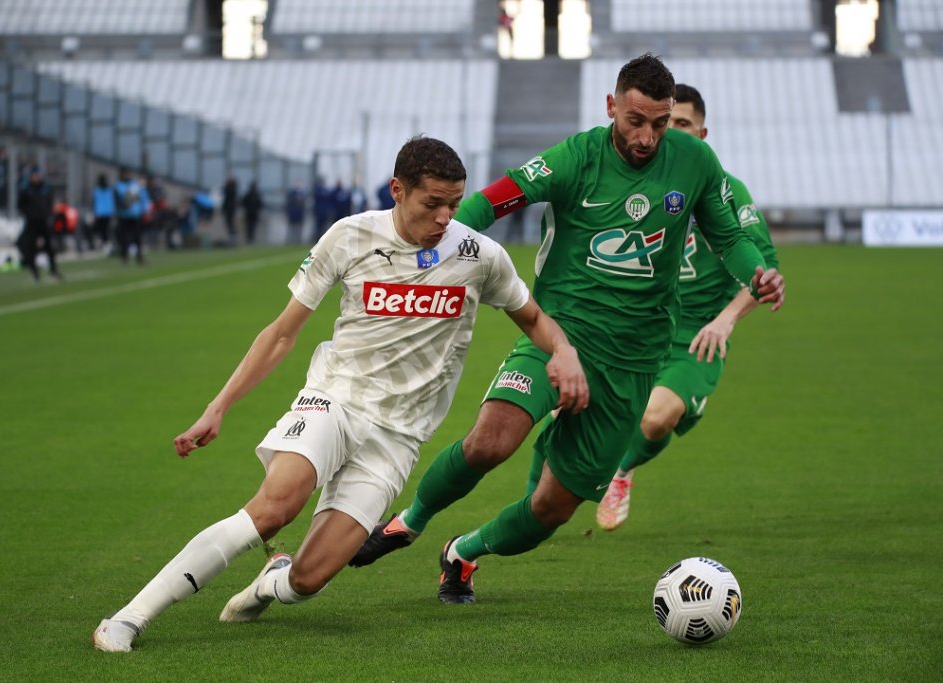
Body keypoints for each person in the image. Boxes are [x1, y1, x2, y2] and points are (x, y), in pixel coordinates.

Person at [91, 136, 589, 653]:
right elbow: (282, 332)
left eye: (453, 204)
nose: (445, 217)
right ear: (398, 190)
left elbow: (532, 318)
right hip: (335, 398)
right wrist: (218, 407)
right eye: (432, 203)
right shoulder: (350, 237)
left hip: (398, 435)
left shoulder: (479, 255)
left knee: (309, 580)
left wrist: (564, 352)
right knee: (274, 507)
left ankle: (273, 578)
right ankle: (128, 617)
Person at [349, 54, 785, 604]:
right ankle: (407, 523)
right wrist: (432, 245)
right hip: (559, 335)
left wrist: (757, 274)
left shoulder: (695, 161)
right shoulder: (576, 158)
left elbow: (729, 237)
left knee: (549, 510)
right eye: (635, 120)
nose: (648, 136)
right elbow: (494, 199)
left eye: (658, 122)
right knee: (491, 441)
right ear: (611, 107)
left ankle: (462, 552)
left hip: (634, 358)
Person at [592, 83, 780, 530]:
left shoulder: (727, 191)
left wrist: (725, 320)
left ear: (702, 133)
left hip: (694, 335)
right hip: (633, 327)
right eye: (663, 123)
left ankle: (621, 473)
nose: (668, 132)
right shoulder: (633, 181)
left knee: (656, 417)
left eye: (681, 124)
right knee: (565, 411)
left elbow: (763, 269)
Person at [17, 167, 61, 281]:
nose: (36, 177)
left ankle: (53, 270)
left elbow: (50, 203)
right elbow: (20, 205)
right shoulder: (26, 189)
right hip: (31, 222)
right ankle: (35, 272)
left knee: (49, 247)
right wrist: (29, 214)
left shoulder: (46, 189)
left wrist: (48, 214)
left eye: (38, 175)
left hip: (44, 221)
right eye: (34, 175)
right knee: (30, 247)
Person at [114, 167, 147, 264]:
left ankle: (139, 257)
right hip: (124, 216)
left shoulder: (134, 185)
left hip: (135, 214)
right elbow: (119, 201)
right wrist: (125, 203)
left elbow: (140, 198)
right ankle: (124, 257)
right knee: (124, 237)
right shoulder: (118, 186)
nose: (126, 175)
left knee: (137, 237)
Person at [91, 173, 115, 252]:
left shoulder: (98, 191)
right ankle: (105, 244)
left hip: (101, 213)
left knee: (102, 230)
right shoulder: (108, 190)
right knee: (104, 230)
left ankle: (105, 245)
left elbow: (94, 203)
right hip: (105, 213)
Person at [241, 180, 265, 244]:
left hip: (249, 212)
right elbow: (260, 204)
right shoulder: (257, 194)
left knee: (249, 226)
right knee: (253, 226)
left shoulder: (248, 194)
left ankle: (249, 238)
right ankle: (251, 238)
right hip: (254, 213)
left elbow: (243, 203)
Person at [222, 175, 239, 243]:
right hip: (228, 209)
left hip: (230, 209)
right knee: (229, 223)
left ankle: (233, 238)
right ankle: (231, 237)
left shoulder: (232, 188)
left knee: (230, 223)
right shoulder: (230, 188)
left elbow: (228, 195)